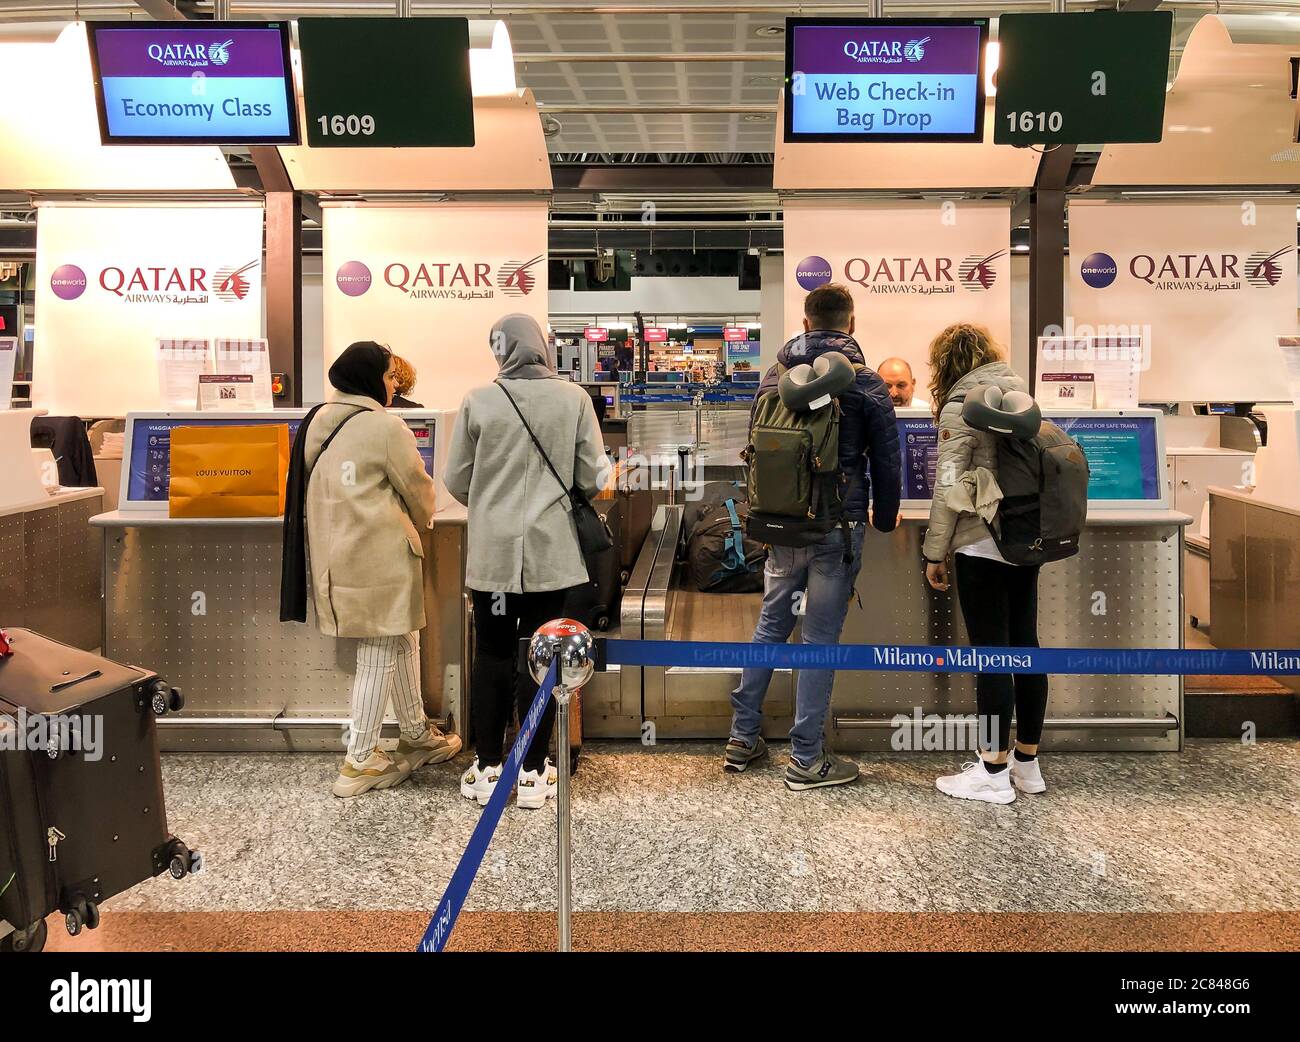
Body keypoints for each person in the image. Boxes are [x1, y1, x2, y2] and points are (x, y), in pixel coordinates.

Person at [725, 284, 901, 790]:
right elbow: (887, 463)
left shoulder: (774, 377)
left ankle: (743, 736)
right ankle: (805, 758)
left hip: (780, 526)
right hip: (837, 527)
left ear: (804, 324)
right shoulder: (865, 384)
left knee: (770, 626)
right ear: (852, 324)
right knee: (819, 640)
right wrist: (885, 518)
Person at [445, 314, 611, 810]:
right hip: (551, 553)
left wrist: (493, 503)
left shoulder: (478, 401)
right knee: (543, 657)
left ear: (499, 350)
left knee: (492, 653)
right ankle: (536, 771)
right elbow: (593, 475)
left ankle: (488, 767)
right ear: (543, 347)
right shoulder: (574, 399)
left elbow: (456, 479)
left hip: (494, 557)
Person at [281, 341, 461, 798]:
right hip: (380, 557)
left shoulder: (316, 421)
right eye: (387, 378)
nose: (392, 387)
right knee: (380, 650)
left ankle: (416, 733)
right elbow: (419, 490)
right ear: (369, 379)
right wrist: (424, 519)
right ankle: (360, 758)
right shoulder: (385, 426)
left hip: (333, 558)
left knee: (403, 638)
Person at [921, 323, 1047, 805]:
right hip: (1024, 540)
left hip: (980, 542)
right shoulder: (1022, 393)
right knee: (1026, 647)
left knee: (991, 653)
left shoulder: (962, 403)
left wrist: (935, 552)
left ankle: (992, 773)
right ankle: (1027, 765)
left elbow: (948, 487)